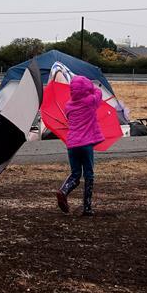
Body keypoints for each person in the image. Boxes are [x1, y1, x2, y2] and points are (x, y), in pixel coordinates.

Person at [55, 75, 104, 216]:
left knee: (76, 174)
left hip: (72, 144)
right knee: (89, 175)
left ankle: (63, 191)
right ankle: (87, 207)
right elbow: (98, 93)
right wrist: (92, 87)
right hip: (86, 144)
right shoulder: (90, 101)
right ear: (86, 89)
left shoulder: (68, 105)